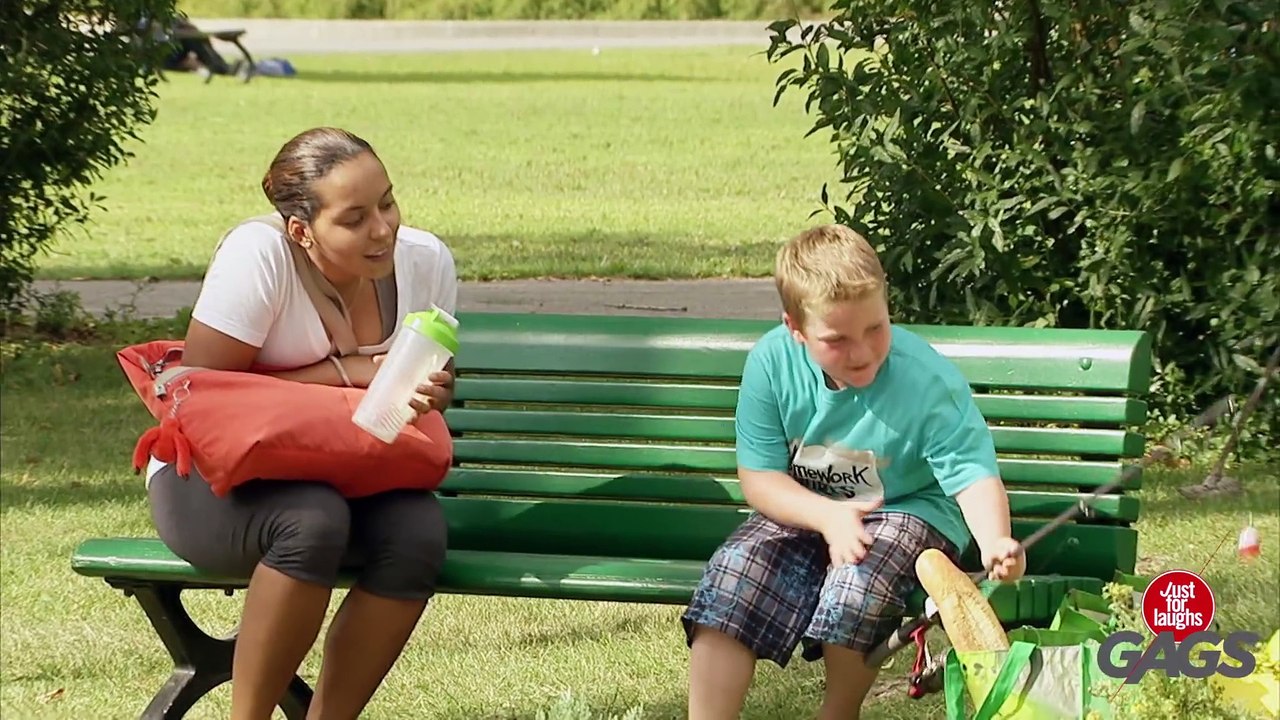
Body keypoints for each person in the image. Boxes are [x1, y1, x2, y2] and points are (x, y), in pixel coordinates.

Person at [143, 127, 457, 720]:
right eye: (355, 217)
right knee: (310, 520)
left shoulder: (425, 260)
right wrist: (347, 371)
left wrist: (435, 389)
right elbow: (195, 397)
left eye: (387, 202)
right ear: (301, 230)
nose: (384, 228)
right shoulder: (257, 255)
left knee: (418, 533)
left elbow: (432, 380)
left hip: (351, 468)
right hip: (212, 482)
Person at [680, 224, 1026, 719]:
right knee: (736, 572)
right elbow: (760, 479)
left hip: (910, 506)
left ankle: (837, 714)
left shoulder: (923, 380)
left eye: (875, 329)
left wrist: (996, 542)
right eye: (836, 339)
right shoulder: (771, 364)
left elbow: (970, 473)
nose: (862, 351)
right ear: (795, 330)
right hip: (809, 504)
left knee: (855, 579)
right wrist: (827, 516)